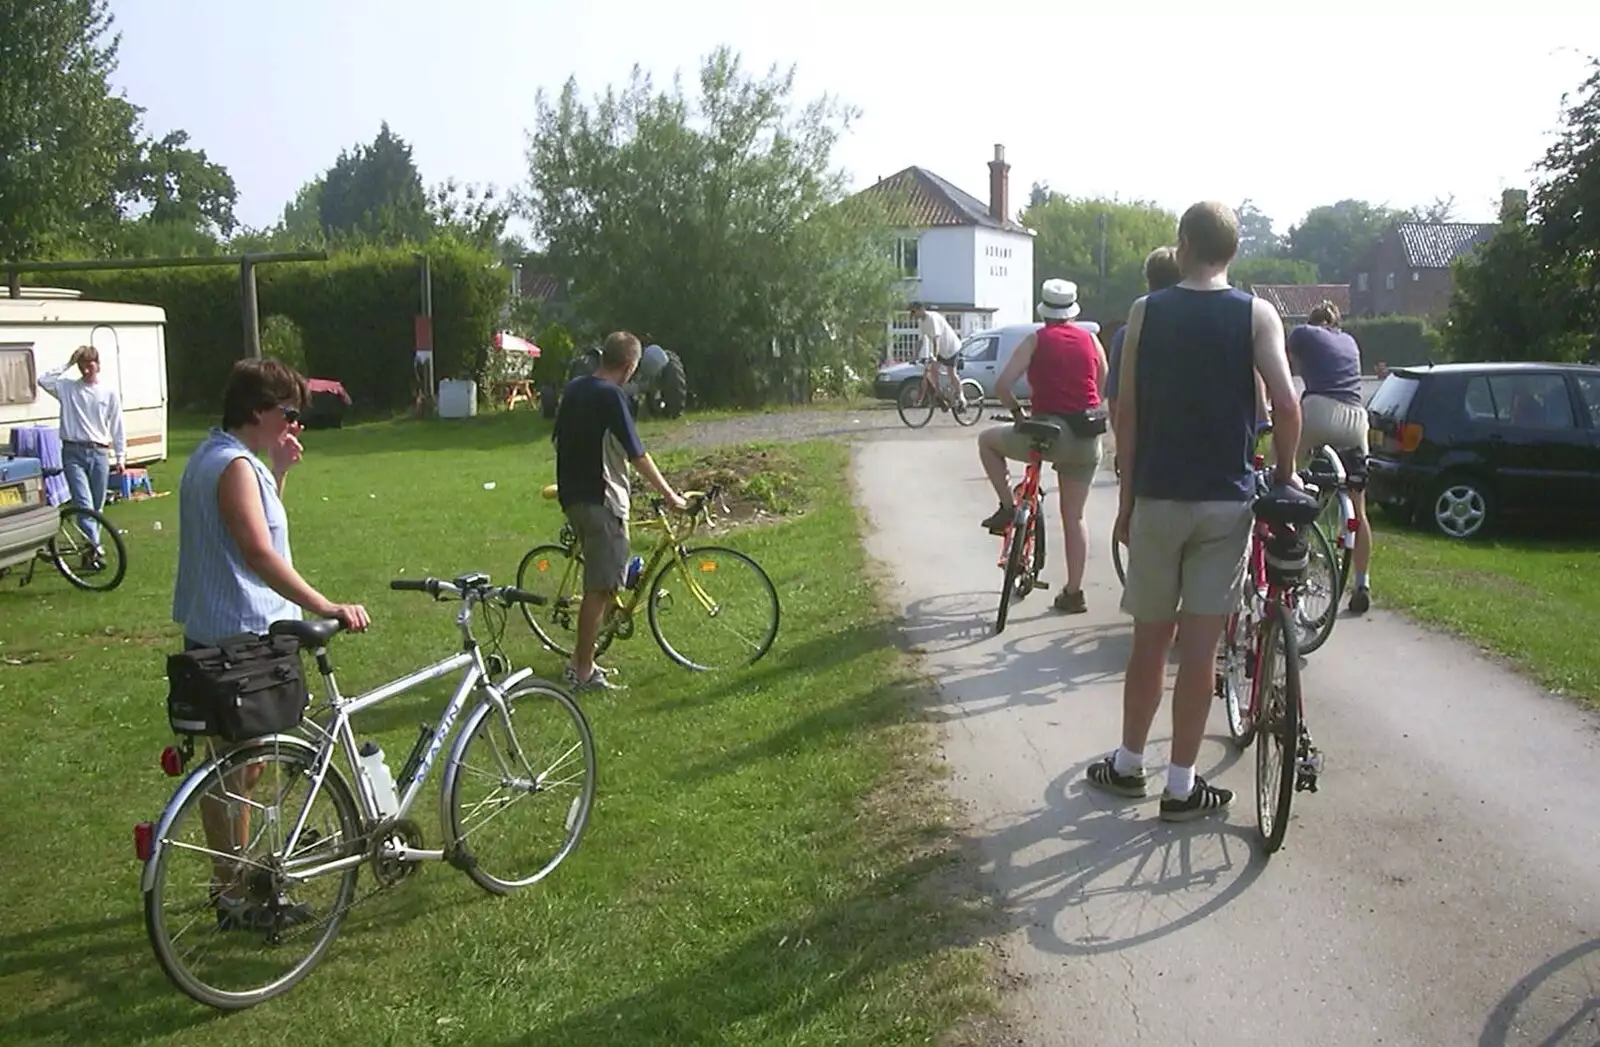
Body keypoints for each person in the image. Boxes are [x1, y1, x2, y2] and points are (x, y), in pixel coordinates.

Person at [1089, 201, 1303, 820]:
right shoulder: (1256, 315)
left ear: (1182, 244)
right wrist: (1285, 473)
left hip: (1157, 494)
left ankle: (1129, 764)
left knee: (1149, 642)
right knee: (1201, 649)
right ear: (1232, 252)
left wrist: (1125, 500)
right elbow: (1286, 405)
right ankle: (1181, 784)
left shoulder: (1146, 312)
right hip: (1224, 502)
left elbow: (1124, 413)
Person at [171, 357, 371, 929]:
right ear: (257, 410)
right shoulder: (232, 465)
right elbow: (259, 554)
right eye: (287, 412)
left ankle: (230, 883)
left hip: (226, 634)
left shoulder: (224, 458)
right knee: (236, 771)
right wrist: (325, 605)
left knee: (239, 768)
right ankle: (232, 891)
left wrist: (279, 471)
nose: (293, 422)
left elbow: (254, 534)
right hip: (239, 640)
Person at [552, 330, 687, 691]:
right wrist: (671, 496)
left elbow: (558, 439)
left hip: (573, 497)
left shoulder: (575, 388)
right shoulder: (612, 396)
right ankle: (581, 671)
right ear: (630, 365)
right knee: (598, 590)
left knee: (607, 581)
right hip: (601, 500)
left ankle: (588, 658)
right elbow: (637, 453)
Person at [977, 279, 1107, 614]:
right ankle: (1073, 593)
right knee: (1074, 516)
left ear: (1044, 309)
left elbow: (1004, 385)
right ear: (1073, 309)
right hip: (1086, 437)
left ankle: (1008, 507)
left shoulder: (1036, 340)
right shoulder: (1091, 340)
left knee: (987, 442)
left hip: (1046, 434)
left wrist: (1018, 413)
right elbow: (1103, 380)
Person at [1289, 300, 1373, 613]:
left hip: (1320, 411)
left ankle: (1288, 541)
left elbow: (1281, 367)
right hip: (1355, 420)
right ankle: (1362, 583)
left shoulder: (1302, 333)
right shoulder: (1350, 341)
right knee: (1359, 509)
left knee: (1285, 475)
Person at [36, 345, 125, 569]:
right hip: (73, 451)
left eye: (90, 365)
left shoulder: (108, 392)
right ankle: (96, 549)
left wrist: (121, 457)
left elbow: (117, 426)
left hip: (99, 452)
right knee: (84, 504)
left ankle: (89, 550)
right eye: (82, 366)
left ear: (98, 365)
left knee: (97, 506)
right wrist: (67, 363)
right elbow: (43, 380)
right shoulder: (67, 387)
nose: (86, 371)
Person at [1106, 247, 1182, 479]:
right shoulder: (1204, 327)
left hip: (1147, 452)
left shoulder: (1129, 334)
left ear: (1149, 282)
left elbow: (1116, 402)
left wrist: (1122, 448)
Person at [909, 301, 966, 410]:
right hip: (941, 350)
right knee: (932, 371)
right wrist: (914, 356)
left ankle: (962, 397)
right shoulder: (922, 322)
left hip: (951, 348)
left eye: (914, 312)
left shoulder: (932, 318)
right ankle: (941, 397)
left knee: (951, 373)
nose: (914, 315)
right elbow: (920, 341)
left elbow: (936, 340)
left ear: (921, 309)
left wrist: (934, 357)